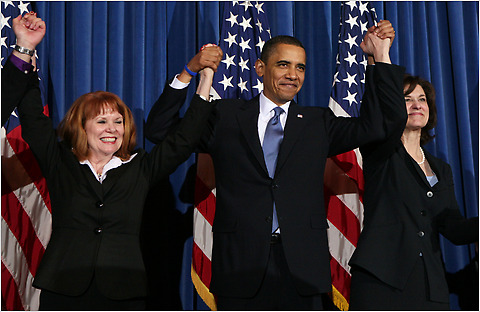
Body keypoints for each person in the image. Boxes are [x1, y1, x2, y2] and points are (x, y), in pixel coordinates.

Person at [146, 21, 403, 309]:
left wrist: (380, 56)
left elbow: (384, 124)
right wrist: (189, 71)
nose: (293, 75)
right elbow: (159, 131)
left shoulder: (319, 123)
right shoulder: (226, 116)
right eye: (283, 65)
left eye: (300, 67)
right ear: (260, 68)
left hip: (302, 271)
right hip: (240, 267)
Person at [4, 13, 217, 310]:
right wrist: (25, 48)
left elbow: (183, 141)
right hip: (63, 287)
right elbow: (30, 116)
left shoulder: (140, 167)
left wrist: (204, 79)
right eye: (102, 121)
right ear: (82, 126)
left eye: (118, 121)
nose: (112, 129)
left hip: (124, 292)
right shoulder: (60, 161)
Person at [349, 74, 479, 310]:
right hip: (381, 281)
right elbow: (376, 111)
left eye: (422, 99)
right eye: (407, 99)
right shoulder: (380, 150)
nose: (417, 104)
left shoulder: (442, 168)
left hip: (430, 286)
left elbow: (453, 227)